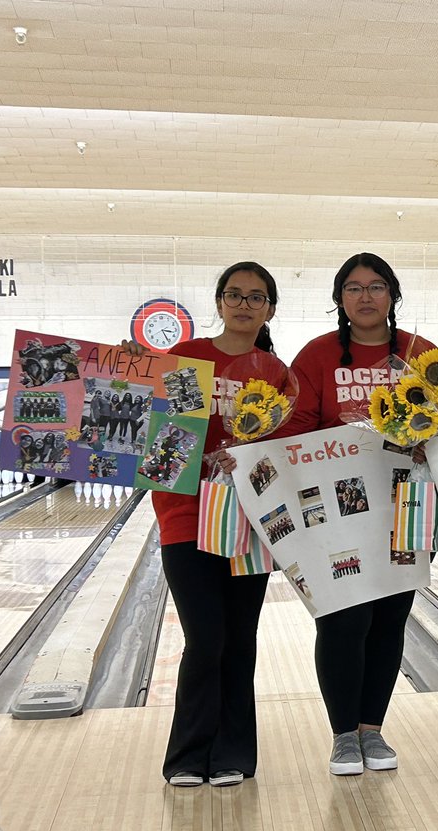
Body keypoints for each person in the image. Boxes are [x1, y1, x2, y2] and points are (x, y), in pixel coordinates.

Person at [270, 251, 433, 777]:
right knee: (343, 618)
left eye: (377, 286)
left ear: (393, 295)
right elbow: (292, 430)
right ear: (340, 299)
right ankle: (343, 734)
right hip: (335, 511)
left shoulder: (420, 355)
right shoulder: (317, 357)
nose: (366, 296)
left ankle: (372, 729)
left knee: (388, 621)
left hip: (403, 505)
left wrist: (427, 441)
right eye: (354, 287)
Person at [150, 261, 279, 788]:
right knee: (205, 638)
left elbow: (281, 457)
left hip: (248, 520)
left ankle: (233, 754)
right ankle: (187, 754)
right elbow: (164, 445)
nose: (244, 304)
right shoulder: (187, 359)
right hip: (185, 516)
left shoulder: (276, 374)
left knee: (239, 639)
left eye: (255, 297)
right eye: (234, 294)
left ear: (269, 308)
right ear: (220, 302)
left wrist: (249, 460)